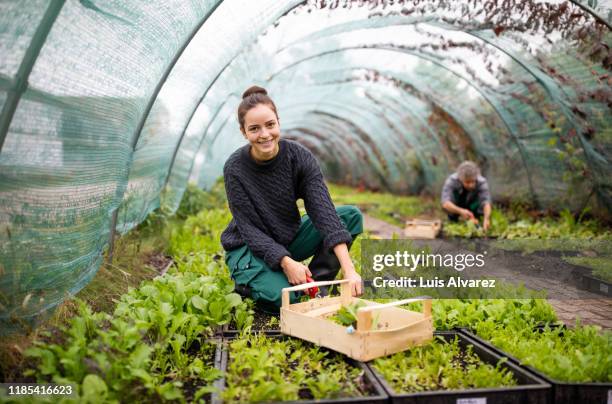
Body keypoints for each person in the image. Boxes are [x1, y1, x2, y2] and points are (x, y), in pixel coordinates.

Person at [221, 85, 363, 314]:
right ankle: (250, 281)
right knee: (291, 301)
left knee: (350, 216)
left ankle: (317, 283)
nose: (265, 134)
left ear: (278, 122)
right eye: (254, 129)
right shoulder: (235, 168)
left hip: (285, 237)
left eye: (270, 125)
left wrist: (349, 270)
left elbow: (323, 212)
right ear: (243, 132)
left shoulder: (298, 157)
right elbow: (249, 230)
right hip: (248, 247)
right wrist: (287, 263)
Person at [441, 161, 492, 231]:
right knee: (449, 208)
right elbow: (445, 203)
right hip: (458, 204)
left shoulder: (482, 182)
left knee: (482, 208)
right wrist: (460, 211)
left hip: (473, 204)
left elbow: (486, 202)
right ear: (460, 179)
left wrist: (487, 219)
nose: (471, 185)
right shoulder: (452, 181)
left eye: (473, 181)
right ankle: (454, 220)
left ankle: (478, 221)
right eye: (467, 182)